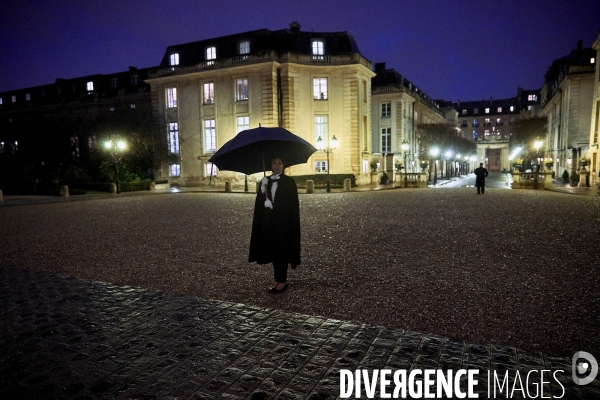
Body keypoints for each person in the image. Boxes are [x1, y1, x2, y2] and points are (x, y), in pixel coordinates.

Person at [248, 157, 301, 293]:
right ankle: (277, 279)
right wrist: (261, 191)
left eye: (279, 163)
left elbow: (291, 205)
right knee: (273, 251)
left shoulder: (289, 182)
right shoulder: (266, 181)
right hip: (270, 223)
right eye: (274, 163)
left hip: (284, 224)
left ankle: (282, 281)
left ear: (283, 165)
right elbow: (260, 204)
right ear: (270, 165)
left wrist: (274, 206)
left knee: (282, 252)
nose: (276, 166)